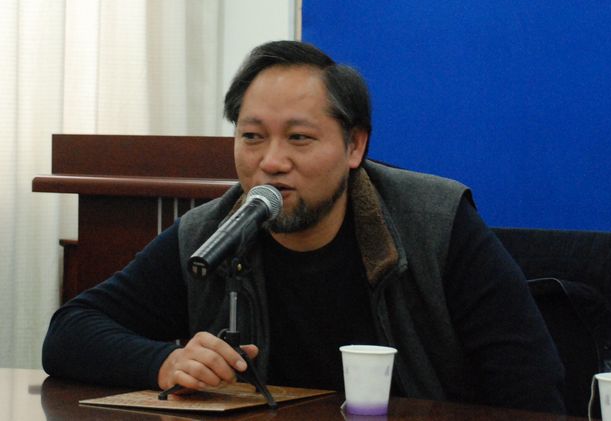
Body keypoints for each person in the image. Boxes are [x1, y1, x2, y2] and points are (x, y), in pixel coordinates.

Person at [42, 40, 565, 412]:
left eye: (299, 138)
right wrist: (165, 361)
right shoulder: (211, 234)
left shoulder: (437, 222)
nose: (271, 162)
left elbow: (531, 385)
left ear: (354, 146)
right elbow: (70, 332)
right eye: (252, 137)